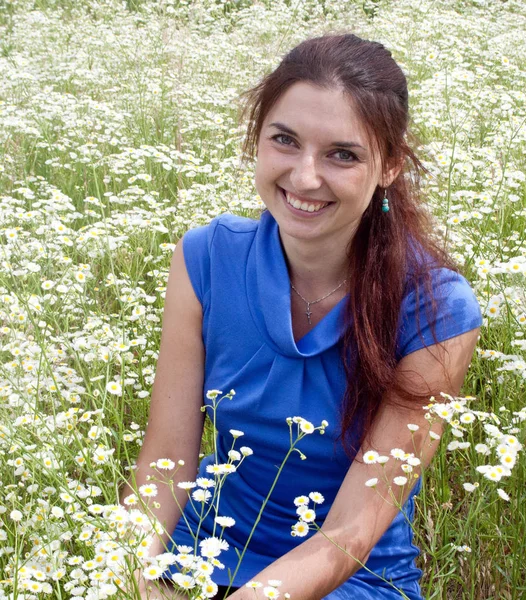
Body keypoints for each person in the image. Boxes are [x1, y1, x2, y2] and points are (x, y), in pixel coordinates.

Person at [123, 33, 482, 600]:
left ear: (388, 166)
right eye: (285, 141)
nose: (305, 176)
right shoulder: (204, 258)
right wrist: (130, 574)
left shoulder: (438, 309)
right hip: (200, 554)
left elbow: (352, 530)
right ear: (257, 141)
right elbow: (167, 458)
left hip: (348, 577)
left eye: (342, 154)